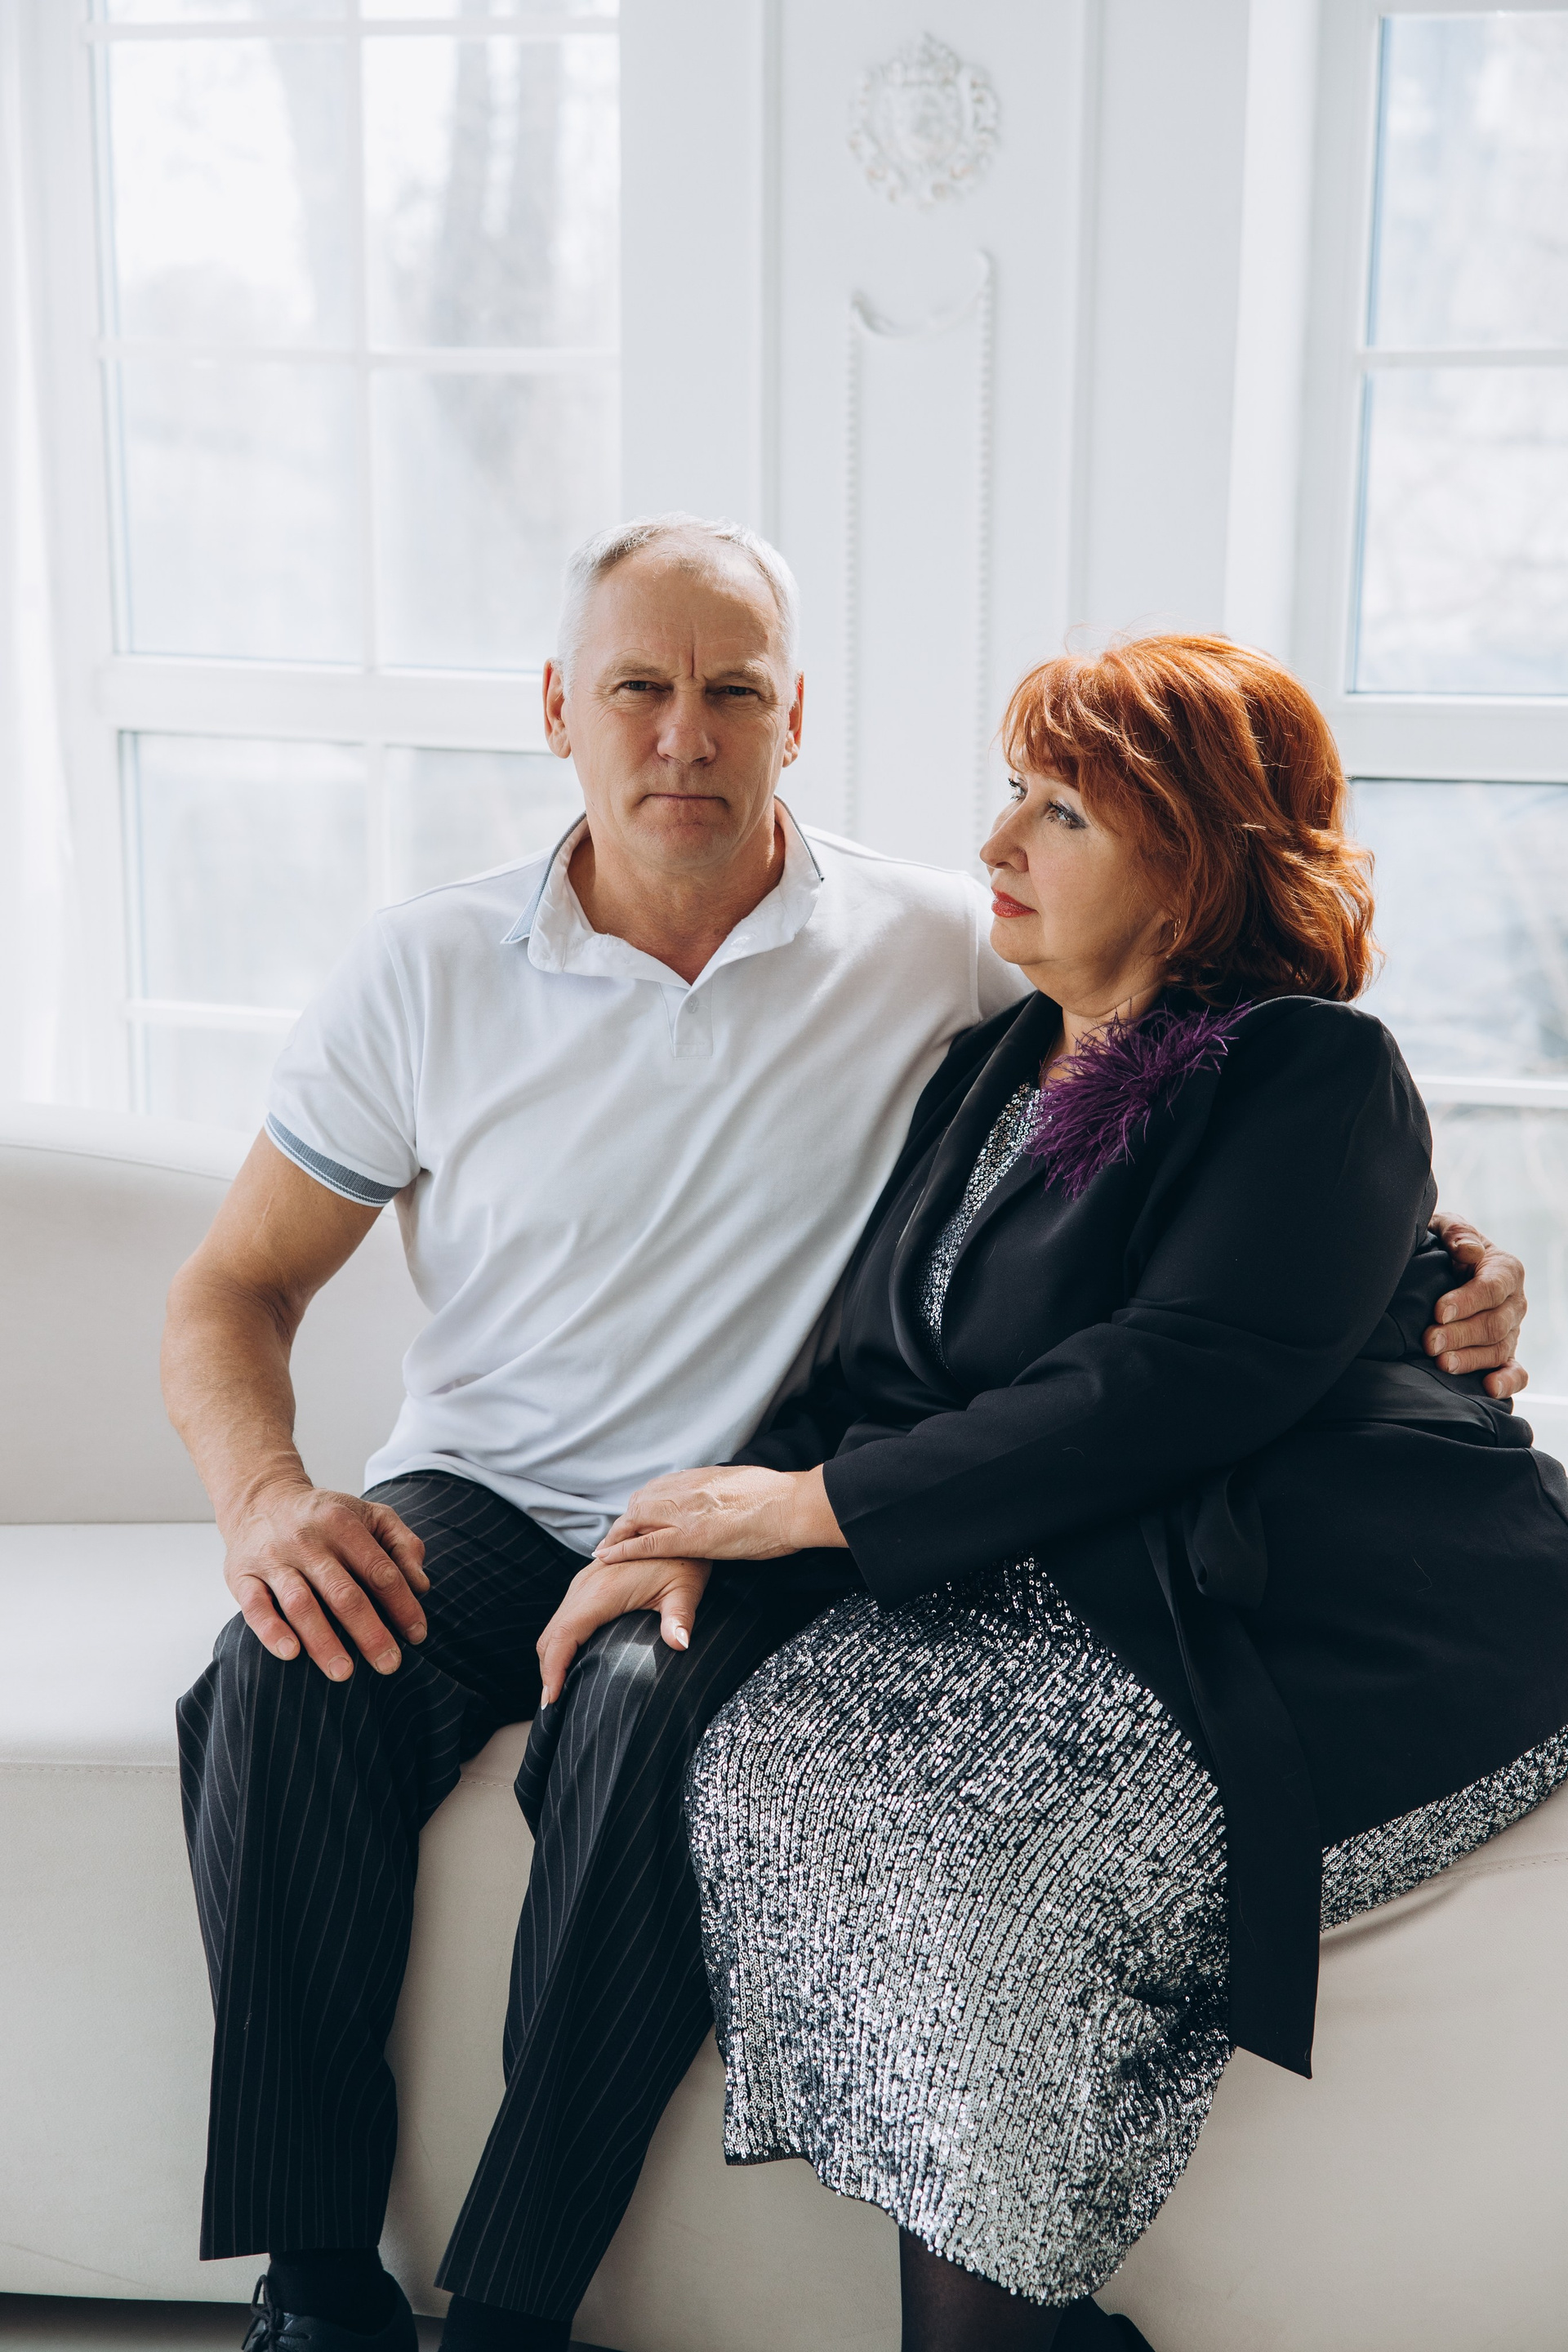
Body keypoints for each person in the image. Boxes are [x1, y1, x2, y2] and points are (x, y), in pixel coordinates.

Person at [165, 521, 1525, 2352]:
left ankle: (514, 2304)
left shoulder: (940, 956)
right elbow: (234, 1285)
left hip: (762, 1514)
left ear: (794, 717)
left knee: (648, 1714)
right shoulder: (428, 969)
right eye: (638, 688)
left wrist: (1442, 1267)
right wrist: (263, 1498)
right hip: (499, 1489)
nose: (685, 735)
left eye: (732, 692)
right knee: (282, 1667)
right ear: (558, 707)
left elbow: (1225, 1120)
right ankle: (316, 2281)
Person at [572, 636, 1568, 2352]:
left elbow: (1175, 1375)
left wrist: (804, 1512)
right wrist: (688, 1534)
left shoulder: (1312, 1067)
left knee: (986, 1857)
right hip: (1084, 1570)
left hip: (1346, 1618)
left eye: (1063, 813)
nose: (998, 844)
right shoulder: (993, 1064)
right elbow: (878, 1367)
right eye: (1015, 796)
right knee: (779, 1757)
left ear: (1188, 870)